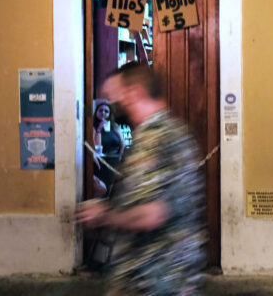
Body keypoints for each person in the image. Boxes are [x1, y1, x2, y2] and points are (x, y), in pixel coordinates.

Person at [76, 62, 206, 296]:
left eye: (116, 97)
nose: (112, 105)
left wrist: (104, 215)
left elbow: (151, 214)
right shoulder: (175, 132)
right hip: (174, 276)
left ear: (134, 92)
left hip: (153, 277)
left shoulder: (152, 139)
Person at [92, 100, 125, 196]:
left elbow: (122, 143)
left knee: (115, 190)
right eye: (100, 110)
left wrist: (121, 155)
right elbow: (96, 148)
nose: (103, 113)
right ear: (96, 112)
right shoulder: (93, 127)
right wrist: (99, 130)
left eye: (106, 111)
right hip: (101, 162)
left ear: (109, 114)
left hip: (115, 160)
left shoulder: (114, 126)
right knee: (103, 190)